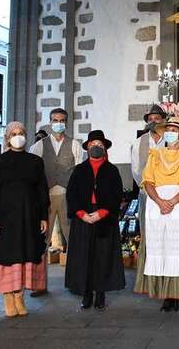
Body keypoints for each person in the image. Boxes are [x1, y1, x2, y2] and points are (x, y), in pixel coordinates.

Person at [0, 121, 49, 317]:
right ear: (7, 138)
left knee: (26, 255)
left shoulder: (35, 161)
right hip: (5, 217)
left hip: (29, 217)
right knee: (7, 256)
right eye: (13, 133)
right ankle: (8, 296)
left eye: (21, 133)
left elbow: (41, 190)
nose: (18, 136)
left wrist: (43, 216)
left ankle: (20, 295)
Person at [135, 117, 179, 311]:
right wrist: (159, 201)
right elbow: (148, 181)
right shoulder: (155, 154)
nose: (171, 133)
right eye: (169, 129)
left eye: (175, 130)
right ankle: (166, 295)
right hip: (157, 205)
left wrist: (172, 201)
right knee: (162, 248)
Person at [65, 130, 125, 310]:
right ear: (87, 148)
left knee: (102, 255)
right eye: (92, 145)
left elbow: (117, 195)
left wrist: (103, 212)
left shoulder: (112, 170)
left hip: (104, 216)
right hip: (83, 216)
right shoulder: (79, 170)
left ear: (105, 148)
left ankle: (100, 293)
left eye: (99, 145)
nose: (96, 148)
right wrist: (81, 213)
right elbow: (71, 195)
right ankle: (86, 293)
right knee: (84, 256)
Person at [28, 107, 83, 296]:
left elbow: (79, 172)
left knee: (73, 239)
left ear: (66, 122)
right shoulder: (40, 146)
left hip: (68, 196)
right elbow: (33, 172)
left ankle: (77, 281)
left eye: (61, 120)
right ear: (50, 122)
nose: (58, 123)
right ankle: (39, 284)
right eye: (55, 120)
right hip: (47, 197)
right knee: (41, 239)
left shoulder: (75, 144)